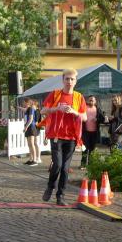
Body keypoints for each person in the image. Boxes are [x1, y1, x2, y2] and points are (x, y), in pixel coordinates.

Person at [40, 69, 86, 205]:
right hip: (56, 135)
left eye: (72, 79)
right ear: (63, 80)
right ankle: (50, 186)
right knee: (57, 165)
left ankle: (61, 196)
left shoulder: (79, 97)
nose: (69, 81)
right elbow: (43, 111)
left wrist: (74, 112)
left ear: (76, 81)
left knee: (65, 168)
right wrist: (57, 109)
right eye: (67, 79)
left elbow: (84, 117)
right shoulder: (55, 94)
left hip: (72, 137)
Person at [80, 95, 104, 169]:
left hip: (94, 132)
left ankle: (91, 164)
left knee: (92, 149)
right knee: (85, 149)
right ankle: (83, 164)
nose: (91, 102)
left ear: (95, 101)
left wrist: (97, 119)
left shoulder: (98, 109)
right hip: (85, 132)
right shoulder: (84, 108)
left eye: (92, 100)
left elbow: (102, 119)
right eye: (90, 100)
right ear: (87, 101)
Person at [23, 98, 41, 166]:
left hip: (31, 127)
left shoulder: (31, 109)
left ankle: (35, 160)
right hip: (28, 127)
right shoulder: (28, 109)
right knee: (29, 144)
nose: (23, 104)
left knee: (32, 144)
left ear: (27, 103)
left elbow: (31, 119)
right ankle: (31, 159)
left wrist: (26, 127)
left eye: (24, 102)